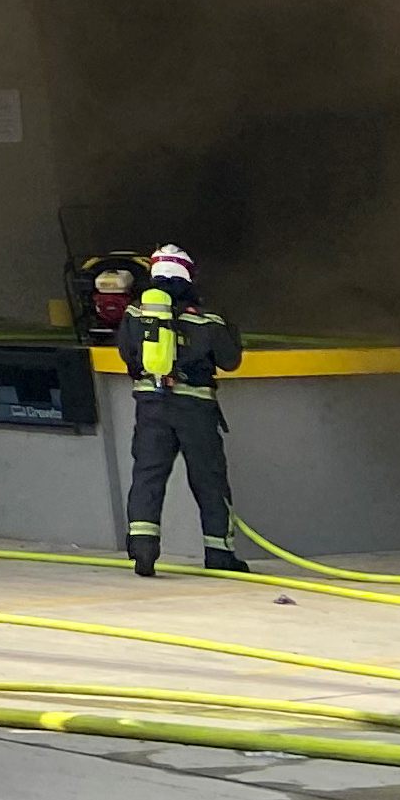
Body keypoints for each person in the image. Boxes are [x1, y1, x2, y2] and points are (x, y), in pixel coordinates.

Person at [118, 242, 246, 574]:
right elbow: (231, 360)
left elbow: (127, 354)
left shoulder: (135, 314)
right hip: (196, 409)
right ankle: (219, 554)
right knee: (209, 479)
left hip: (151, 405)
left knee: (148, 474)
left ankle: (143, 550)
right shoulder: (208, 319)